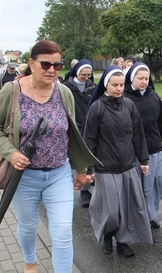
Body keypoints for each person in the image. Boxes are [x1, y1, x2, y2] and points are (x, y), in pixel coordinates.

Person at [0, 40, 99, 273]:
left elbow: (72, 133)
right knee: (28, 225)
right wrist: (11, 153)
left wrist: (80, 169)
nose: (52, 69)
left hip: (59, 173)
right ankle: (30, 260)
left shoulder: (64, 92)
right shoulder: (13, 91)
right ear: (32, 63)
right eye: (45, 64)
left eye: (57, 64)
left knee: (61, 233)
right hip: (24, 177)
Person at [83, 65, 152, 257]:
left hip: (128, 166)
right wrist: (89, 169)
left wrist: (143, 159)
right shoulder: (97, 108)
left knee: (128, 208)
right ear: (106, 85)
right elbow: (89, 140)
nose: (119, 88)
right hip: (106, 168)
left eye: (122, 85)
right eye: (115, 85)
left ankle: (123, 241)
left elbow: (138, 134)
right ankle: (107, 234)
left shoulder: (129, 105)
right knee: (112, 210)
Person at [124, 62, 162, 229]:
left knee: (161, 182)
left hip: (156, 148)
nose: (144, 81)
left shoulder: (152, 96)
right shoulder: (125, 98)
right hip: (137, 152)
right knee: (142, 188)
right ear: (132, 78)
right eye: (140, 78)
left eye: (146, 78)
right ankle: (144, 216)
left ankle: (149, 211)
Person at [63, 59, 97, 207]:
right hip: (74, 127)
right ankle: (79, 188)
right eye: (84, 74)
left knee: (91, 157)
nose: (86, 77)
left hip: (90, 126)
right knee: (77, 158)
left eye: (89, 74)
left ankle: (87, 189)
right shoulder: (66, 88)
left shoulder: (92, 87)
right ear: (77, 73)